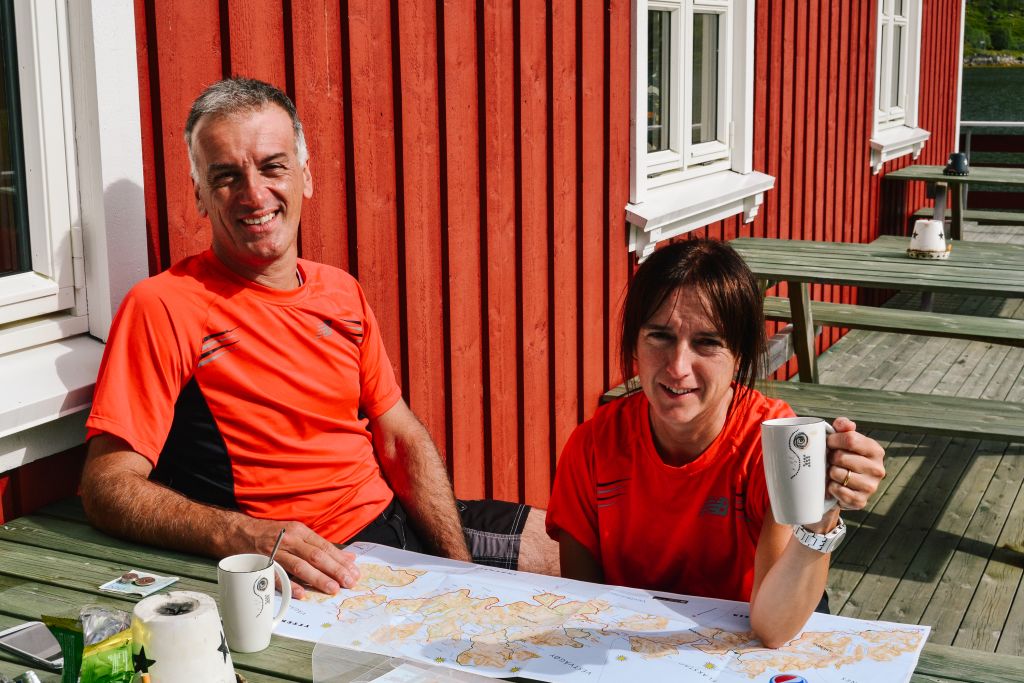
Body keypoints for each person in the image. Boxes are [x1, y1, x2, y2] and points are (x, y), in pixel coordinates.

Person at [80, 77, 557, 599]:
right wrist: (241, 535)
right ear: (198, 195)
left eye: (272, 166)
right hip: (310, 569)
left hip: (395, 525)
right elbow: (107, 486)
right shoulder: (165, 305)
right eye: (225, 176)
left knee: (583, 549)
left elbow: (399, 437)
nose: (254, 193)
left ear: (305, 177)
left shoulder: (340, 291)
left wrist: (461, 571)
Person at [545, 239, 886, 648]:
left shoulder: (773, 446)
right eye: (659, 336)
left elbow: (773, 629)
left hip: (748, 643)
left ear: (739, 354)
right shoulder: (593, 445)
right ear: (633, 342)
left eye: (707, 342)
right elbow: (584, 608)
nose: (678, 367)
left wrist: (823, 516)